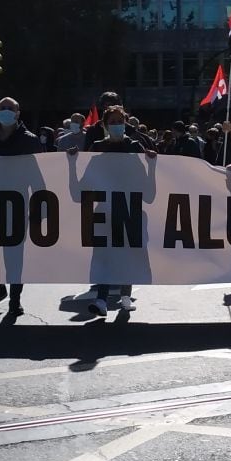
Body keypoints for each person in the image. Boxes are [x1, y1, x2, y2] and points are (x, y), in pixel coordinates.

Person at [82, 105, 157, 317]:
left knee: (128, 254)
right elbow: (86, 178)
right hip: (105, 209)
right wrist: (71, 163)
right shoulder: (96, 147)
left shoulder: (135, 146)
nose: (116, 125)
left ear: (125, 123)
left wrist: (150, 164)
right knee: (105, 255)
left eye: (119, 121)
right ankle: (102, 299)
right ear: (105, 125)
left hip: (130, 207)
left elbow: (145, 184)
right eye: (112, 122)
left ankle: (125, 295)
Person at [0, 95, 41, 315]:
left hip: (16, 204)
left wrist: (39, 206)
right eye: (1, 108)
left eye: (9, 108)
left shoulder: (29, 139)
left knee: (13, 255)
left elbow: (37, 174)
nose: (5, 111)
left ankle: (15, 299)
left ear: (17, 113)